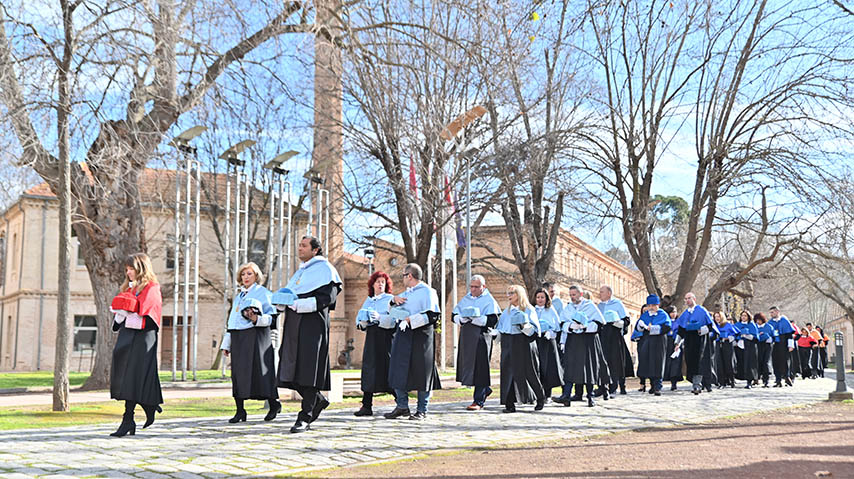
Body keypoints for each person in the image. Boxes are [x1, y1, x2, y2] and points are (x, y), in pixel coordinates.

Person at [275, 236, 343, 433]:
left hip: (313, 326)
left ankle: (304, 416)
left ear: (315, 250)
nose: (300, 248)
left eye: (304, 245)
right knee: (290, 369)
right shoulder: (300, 273)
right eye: (299, 245)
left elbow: (327, 298)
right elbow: (289, 294)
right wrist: (280, 302)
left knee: (308, 370)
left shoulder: (326, 269)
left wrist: (298, 304)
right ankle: (319, 400)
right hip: (293, 325)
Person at [109, 253, 163, 437]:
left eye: (131, 268)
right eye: (126, 269)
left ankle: (128, 419)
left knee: (134, 377)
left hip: (143, 338)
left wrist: (127, 313)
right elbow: (119, 320)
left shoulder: (152, 288)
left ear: (141, 268)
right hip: (127, 336)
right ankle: (148, 404)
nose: (128, 272)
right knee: (124, 375)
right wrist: (119, 314)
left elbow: (150, 319)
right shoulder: (128, 288)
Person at [221, 262, 279, 423]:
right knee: (238, 374)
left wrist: (256, 319)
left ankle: (274, 404)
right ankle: (240, 411)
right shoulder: (239, 296)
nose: (245, 277)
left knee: (260, 372)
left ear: (256, 276)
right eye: (243, 274)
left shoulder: (264, 293)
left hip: (257, 336)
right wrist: (226, 344)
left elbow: (272, 318)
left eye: (249, 274)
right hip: (239, 339)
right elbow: (232, 321)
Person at [385, 263, 442, 420]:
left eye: (403, 275)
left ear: (409, 276)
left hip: (421, 336)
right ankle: (402, 406)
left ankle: (422, 409)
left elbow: (433, 315)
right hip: (403, 334)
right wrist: (392, 301)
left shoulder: (428, 292)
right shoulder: (405, 293)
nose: (402, 278)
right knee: (398, 369)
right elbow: (392, 312)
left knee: (422, 372)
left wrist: (411, 320)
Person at [453, 275, 501, 411]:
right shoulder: (467, 298)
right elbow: (454, 314)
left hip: (481, 337)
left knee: (480, 368)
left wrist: (479, 319)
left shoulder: (489, 300)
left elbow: (494, 319)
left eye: (476, 287)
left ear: (483, 287)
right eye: (471, 286)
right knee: (468, 367)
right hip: (467, 337)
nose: (473, 289)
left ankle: (478, 400)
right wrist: (460, 318)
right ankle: (485, 389)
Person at [353, 271, 396, 417]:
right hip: (371, 338)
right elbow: (359, 320)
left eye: (383, 282)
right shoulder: (369, 300)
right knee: (369, 369)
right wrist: (362, 323)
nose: (380, 284)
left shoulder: (390, 299)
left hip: (385, 338)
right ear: (372, 284)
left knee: (388, 368)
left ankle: (401, 403)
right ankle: (366, 405)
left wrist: (379, 318)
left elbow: (394, 320)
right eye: (377, 281)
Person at [497, 285, 545, 412]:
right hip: (508, 343)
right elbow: (500, 327)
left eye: (511, 293)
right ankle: (509, 404)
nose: (509, 296)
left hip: (524, 343)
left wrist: (524, 326)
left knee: (530, 372)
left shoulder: (529, 310)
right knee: (508, 374)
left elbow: (535, 331)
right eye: (508, 293)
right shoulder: (506, 312)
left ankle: (540, 397)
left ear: (519, 294)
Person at [559, 285, 608, 407]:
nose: (572, 297)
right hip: (573, 341)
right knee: (570, 368)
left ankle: (590, 396)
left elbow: (599, 324)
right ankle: (566, 394)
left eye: (574, 295)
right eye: (570, 295)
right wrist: (570, 326)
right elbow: (562, 323)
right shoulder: (568, 308)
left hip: (587, 340)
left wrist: (586, 326)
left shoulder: (590, 306)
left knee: (588, 368)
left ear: (580, 294)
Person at [675, 293, 716, 395]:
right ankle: (696, 383)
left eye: (689, 298)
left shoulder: (702, 310)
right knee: (690, 362)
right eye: (685, 299)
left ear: (694, 299)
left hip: (700, 340)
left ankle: (697, 385)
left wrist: (700, 330)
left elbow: (710, 326)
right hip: (689, 341)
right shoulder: (685, 313)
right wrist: (677, 343)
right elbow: (681, 330)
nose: (687, 300)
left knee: (699, 362)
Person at [597, 285, 633, 396]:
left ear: (609, 293)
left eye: (602, 292)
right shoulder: (599, 306)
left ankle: (616, 386)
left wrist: (617, 322)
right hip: (603, 336)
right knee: (603, 361)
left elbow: (626, 320)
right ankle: (603, 386)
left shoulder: (617, 304)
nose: (600, 294)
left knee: (616, 361)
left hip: (614, 335)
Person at [634, 295, 671, 396]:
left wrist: (654, 328)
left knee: (658, 362)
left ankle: (658, 386)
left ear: (658, 305)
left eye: (653, 305)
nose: (651, 307)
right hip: (647, 340)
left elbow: (667, 327)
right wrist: (641, 326)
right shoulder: (645, 315)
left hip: (659, 341)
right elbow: (638, 328)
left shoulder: (663, 314)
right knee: (648, 362)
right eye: (649, 305)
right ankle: (652, 384)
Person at [533, 288, 564, 403]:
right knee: (536, 367)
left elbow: (556, 326)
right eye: (538, 297)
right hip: (536, 340)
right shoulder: (532, 310)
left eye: (542, 297)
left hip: (547, 341)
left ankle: (547, 394)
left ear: (546, 299)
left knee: (547, 367)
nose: (540, 300)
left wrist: (551, 332)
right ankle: (536, 393)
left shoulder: (550, 310)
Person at [768, 306, 796, 387]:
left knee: (785, 361)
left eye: (772, 312)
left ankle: (787, 377)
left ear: (777, 312)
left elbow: (789, 334)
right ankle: (778, 379)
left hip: (784, 343)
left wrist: (791, 345)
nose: (771, 314)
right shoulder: (770, 323)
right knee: (775, 361)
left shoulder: (784, 321)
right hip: (775, 344)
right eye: (770, 313)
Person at [734, 310, 759, 388]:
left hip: (749, 346)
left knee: (749, 364)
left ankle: (749, 381)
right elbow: (734, 333)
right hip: (739, 346)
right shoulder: (737, 324)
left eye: (745, 316)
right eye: (742, 316)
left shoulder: (752, 325)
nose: (743, 317)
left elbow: (756, 337)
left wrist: (747, 335)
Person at [715, 311, 738, 388]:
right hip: (718, 344)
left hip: (727, 344)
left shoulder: (728, 325)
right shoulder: (714, 326)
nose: (717, 318)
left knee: (729, 363)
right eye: (715, 317)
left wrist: (728, 338)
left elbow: (735, 334)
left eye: (718, 316)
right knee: (719, 363)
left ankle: (731, 380)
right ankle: (721, 382)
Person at [663, 305, 682, 391]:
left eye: (674, 312)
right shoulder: (665, 321)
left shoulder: (679, 322)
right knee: (668, 362)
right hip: (667, 342)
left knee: (676, 363)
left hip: (676, 342)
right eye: (671, 312)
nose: (673, 314)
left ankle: (674, 382)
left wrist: (678, 343)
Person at [756, 312, 774, 388]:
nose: (758, 322)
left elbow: (774, 335)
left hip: (767, 345)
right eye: (756, 320)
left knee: (766, 362)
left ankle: (766, 380)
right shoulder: (755, 327)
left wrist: (770, 339)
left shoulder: (769, 327)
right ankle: (757, 378)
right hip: (758, 345)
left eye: (759, 320)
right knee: (758, 361)